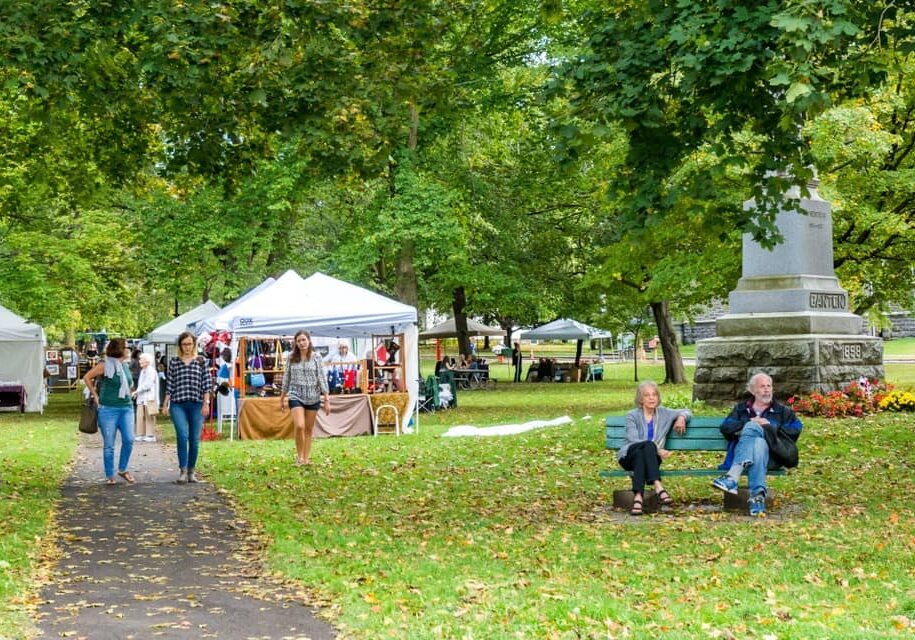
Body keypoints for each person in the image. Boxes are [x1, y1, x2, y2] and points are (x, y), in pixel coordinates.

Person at [711, 372, 803, 517]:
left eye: (769, 386)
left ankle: (732, 477)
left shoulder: (782, 411)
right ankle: (757, 497)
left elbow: (796, 429)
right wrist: (747, 423)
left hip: (772, 458)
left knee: (754, 428)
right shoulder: (741, 409)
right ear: (752, 390)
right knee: (758, 441)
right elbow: (726, 427)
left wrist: (770, 427)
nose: (766, 389)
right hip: (752, 457)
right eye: (762, 386)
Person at [616, 380, 690, 515]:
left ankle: (638, 497)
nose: (651, 398)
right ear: (640, 398)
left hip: (650, 459)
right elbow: (634, 440)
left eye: (654, 394)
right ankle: (658, 486)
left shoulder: (664, 413)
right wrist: (657, 449)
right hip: (629, 456)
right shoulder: (632, 415)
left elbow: (686, 410)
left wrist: (681, 418)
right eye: (647, 395)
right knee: (646, 446)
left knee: (643, 455)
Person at [83, 338, 136, 485]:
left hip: (126, 407)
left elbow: (128, 384)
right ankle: (109, 475)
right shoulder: (104, 365)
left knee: (129, 439)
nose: (128, 350)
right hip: (108, 409)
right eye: (126, 347)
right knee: (109, 444)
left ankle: (123, 469)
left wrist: (130, 391)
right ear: (119, 349)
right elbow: (86, 377)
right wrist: (95, 395)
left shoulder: (124, 365)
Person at [162, 332, 212, 484]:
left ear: (194, 345)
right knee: (182, 436)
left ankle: (191, 471)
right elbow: (169, 384)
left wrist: (206, 403)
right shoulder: (174, 362)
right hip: (178, 404)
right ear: (180, 346)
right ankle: (182, 470)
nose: (187, 347)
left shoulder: (201, 361)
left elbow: (207, 383)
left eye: (190, 344)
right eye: (184, 344)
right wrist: (165, 404)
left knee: (194, 439)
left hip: (197, 404)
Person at [280, 330, 330, 466]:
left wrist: (326, 399)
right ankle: (299, 457)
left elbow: (322, 378)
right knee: (300, 426)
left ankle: (306, 458)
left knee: (308, 429)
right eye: (299, 341)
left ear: (309, 340)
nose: (302, 343)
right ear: (295, 343)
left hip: (313, 396)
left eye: (303, 340)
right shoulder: (291, 357)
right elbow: (286, 378)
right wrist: (282, 397)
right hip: (296, 394)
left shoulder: (317, 357)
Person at [134, 353, 159, 442]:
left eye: (141, 359)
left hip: (149, 397)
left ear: (147, 361)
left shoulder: (151, 371)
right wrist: (137, 392)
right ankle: (140, 434)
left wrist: (137, 391)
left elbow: (147, 385)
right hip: (141, 397)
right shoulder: (143, 371)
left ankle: (150, 435)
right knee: (140, 416)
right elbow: (141, 384)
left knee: (149, 416)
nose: (139, 361)